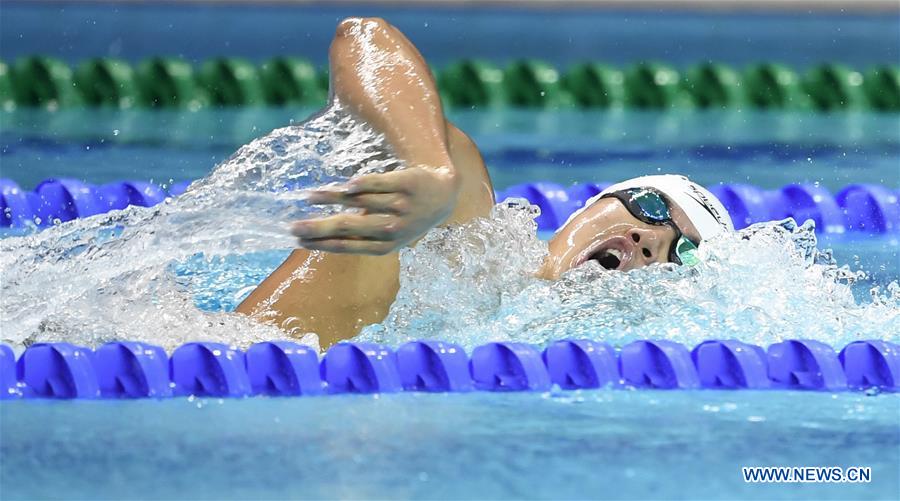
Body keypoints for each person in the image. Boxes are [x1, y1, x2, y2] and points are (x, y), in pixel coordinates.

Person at [236, 17, 733, 348]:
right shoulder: (472, 238)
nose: (651, 237)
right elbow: (364, 36)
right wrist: (432, 169)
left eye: (681, 251)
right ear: (593, 206)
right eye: (649, 205)